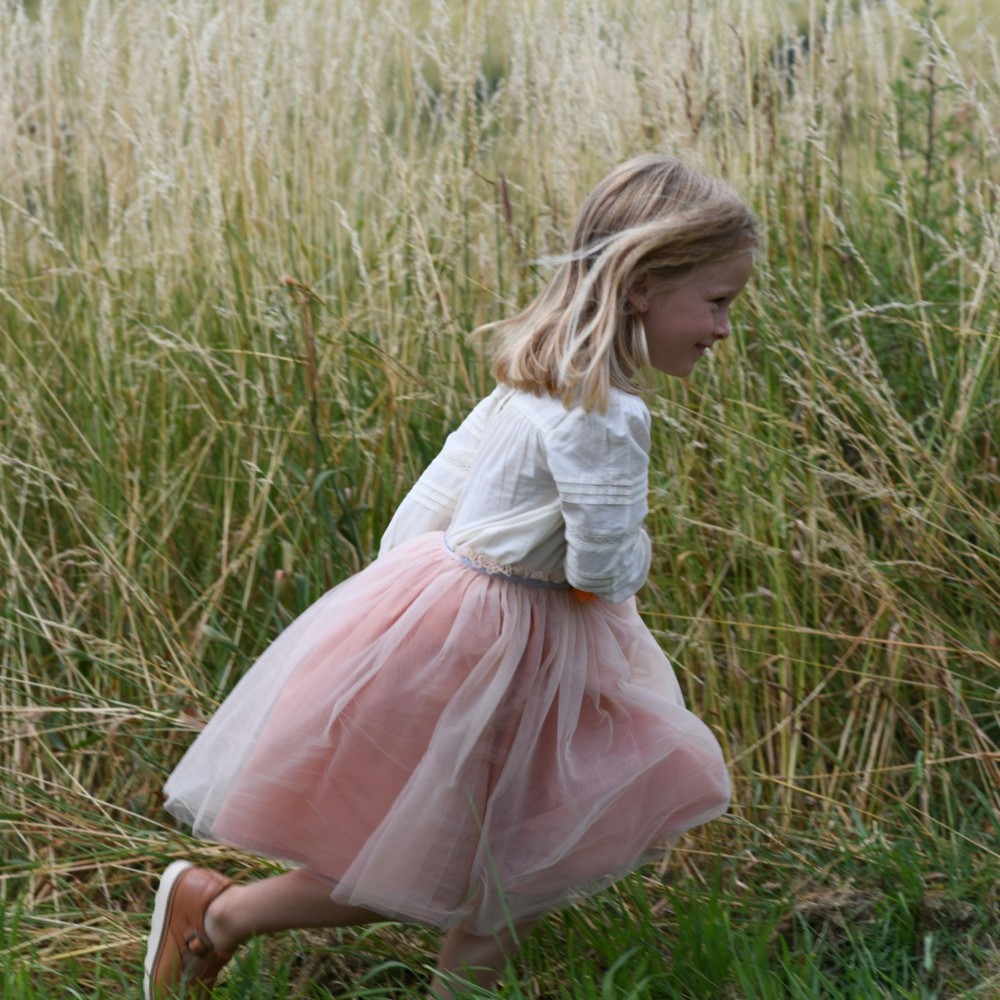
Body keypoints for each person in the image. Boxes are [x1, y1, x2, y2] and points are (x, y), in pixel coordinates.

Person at [143, 153, 759, 1000]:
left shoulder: (525, 383)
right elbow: (604, 570)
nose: (725, 327)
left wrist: (409, 618)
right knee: (491, 865)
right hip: (525, 649)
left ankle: (216, 913)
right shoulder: (612, 417)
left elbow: (421, 512)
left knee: (476, 867)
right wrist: (590, 578)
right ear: (643, 285)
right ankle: (218, 916)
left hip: (447, 619)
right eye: (719, 302)